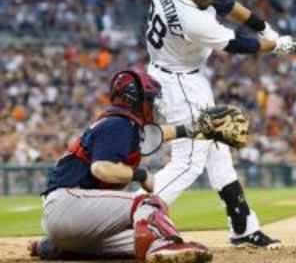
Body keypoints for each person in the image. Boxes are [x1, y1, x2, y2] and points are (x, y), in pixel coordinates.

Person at [145, 0, 293, 248]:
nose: (217, 0)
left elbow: (226, 5)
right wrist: (273, 45)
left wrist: (264, 26)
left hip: (181, 74)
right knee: (189, 162)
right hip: (179, 84)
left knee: (218, 149)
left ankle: (243, 226)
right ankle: (135, 214)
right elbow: (238, 45)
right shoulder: (193, 20)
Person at [29, 69, 215, 263]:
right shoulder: (119, 124)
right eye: (150, 100)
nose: (153, 105)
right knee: (148, 203)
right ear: (135, 100)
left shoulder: (120, 124)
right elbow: (101, 168)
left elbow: (155, 135)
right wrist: (141, 175)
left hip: (72, 218)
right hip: (69, 203)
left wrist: (195, 130)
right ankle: (165, 247)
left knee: (137, 236)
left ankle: (56, 247)